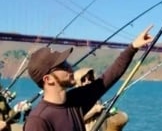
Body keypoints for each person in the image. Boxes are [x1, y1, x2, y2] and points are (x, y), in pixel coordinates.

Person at [23, 25, 153, 131]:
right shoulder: (38, 121)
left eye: (66, 62)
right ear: (48, 79)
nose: (69, 67)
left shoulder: (75, 100)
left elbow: (110, 76)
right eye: (62, 65)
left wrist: (133, 47)